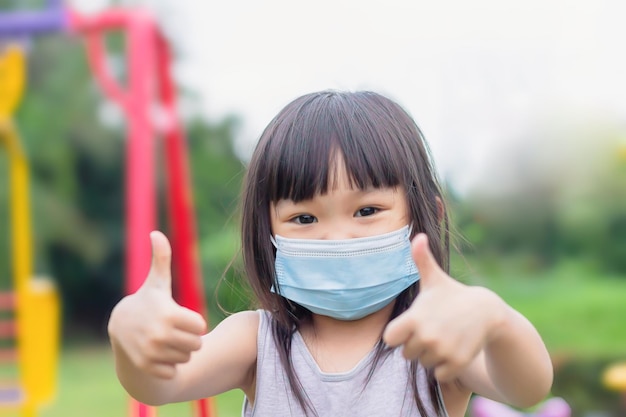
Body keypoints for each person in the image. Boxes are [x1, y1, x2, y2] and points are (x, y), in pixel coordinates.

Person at [107, 90, 554, 417]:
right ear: (266, 232)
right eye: (304, 218)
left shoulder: (435, 341)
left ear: (426, 217)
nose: (337, 239)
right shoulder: (254, 340)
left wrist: (496, 320)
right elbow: (159, 385)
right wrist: (128, 334)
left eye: (367, 210)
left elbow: (527, 387)